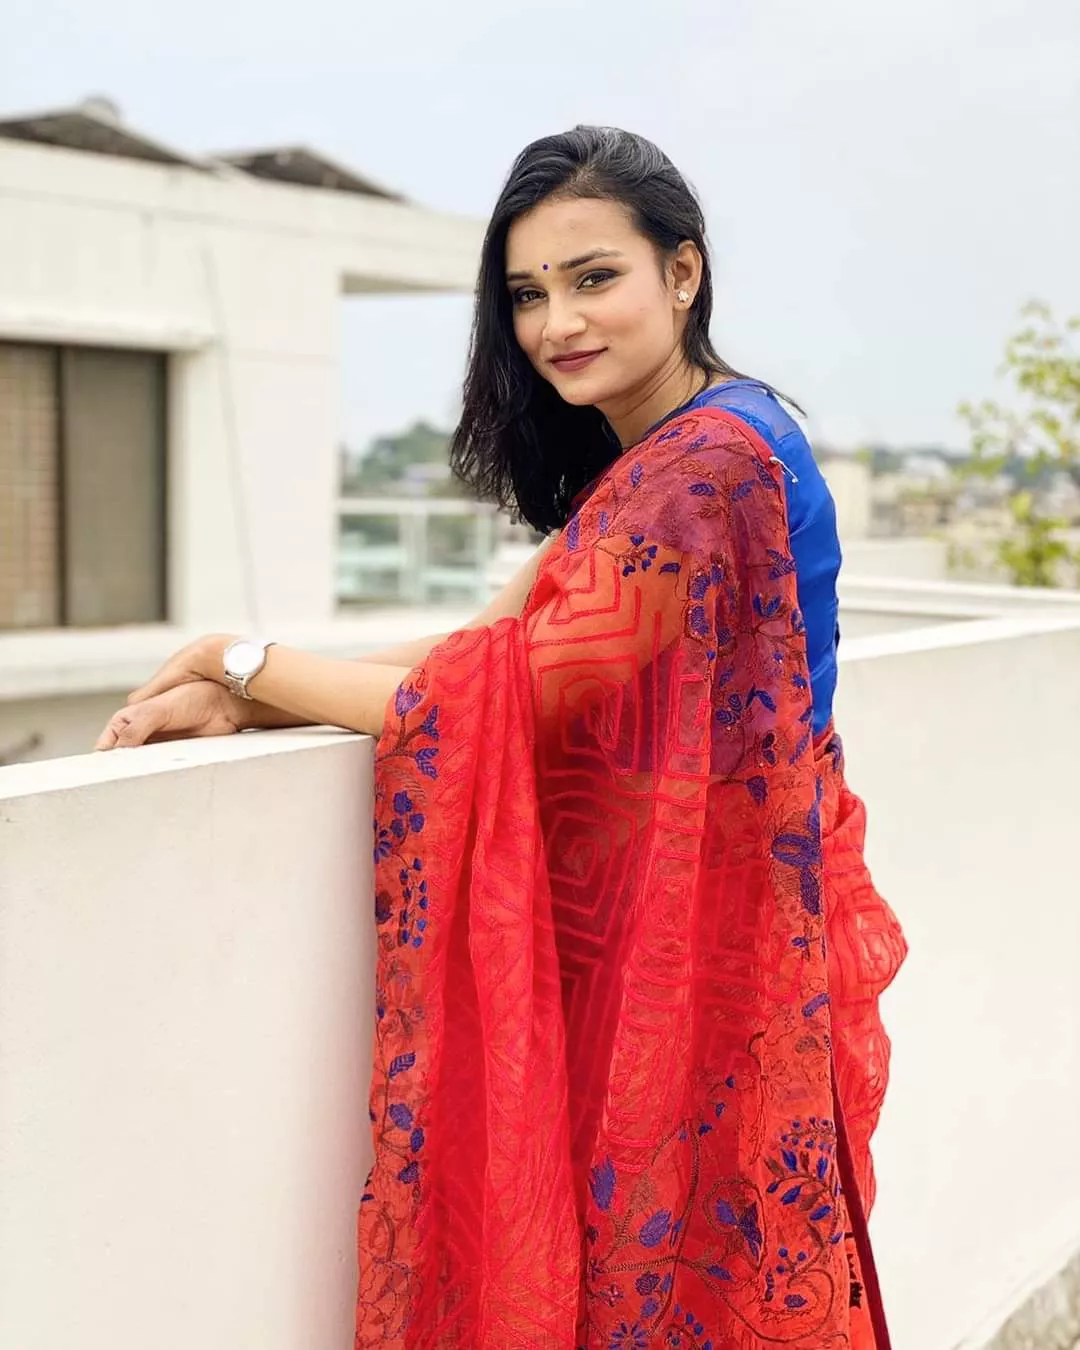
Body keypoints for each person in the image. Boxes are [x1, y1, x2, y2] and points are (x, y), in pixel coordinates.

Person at [97, 126, 907, 1349]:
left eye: (594, 278)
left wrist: (236, 661)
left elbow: (510, 694)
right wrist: (263, 694)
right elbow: (491, 644)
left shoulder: (708, 471)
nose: (555, 323)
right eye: (528, 294)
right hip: (699, 919)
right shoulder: (674, 452)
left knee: (683, 1283)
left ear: (682, 274)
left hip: (708, 944)